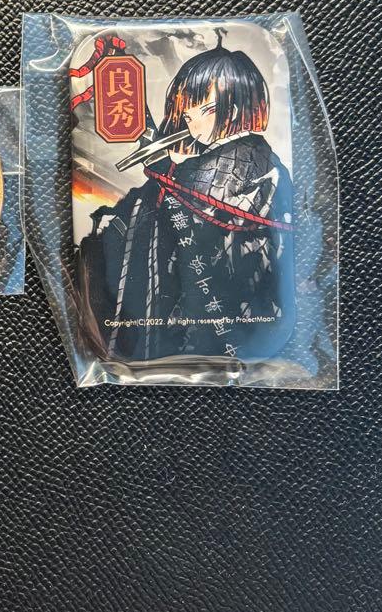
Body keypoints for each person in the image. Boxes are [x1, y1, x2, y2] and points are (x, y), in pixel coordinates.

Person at [77, 41, 295, 369]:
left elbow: (208, 191)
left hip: (238, 305)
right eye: (188, 115)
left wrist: (169, 167)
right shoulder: (217, 161)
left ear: (236, 107)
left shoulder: (249, 157)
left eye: (204, 110)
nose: (193, 125)